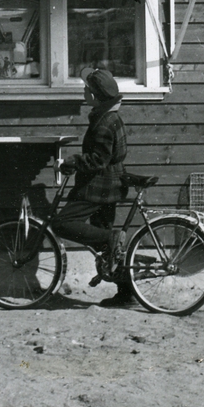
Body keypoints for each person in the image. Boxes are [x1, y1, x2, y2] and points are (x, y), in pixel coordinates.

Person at [56, 68, 135, 308]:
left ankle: (112, 240)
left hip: (98, 187)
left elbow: (98, 160)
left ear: (94, 95)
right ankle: (126, 293)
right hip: (111, 185)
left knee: (62, 223)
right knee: (106, 244)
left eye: (86, 88)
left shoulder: (103, 122)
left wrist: (73, 161)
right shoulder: (111, 116)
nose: (83, 91)